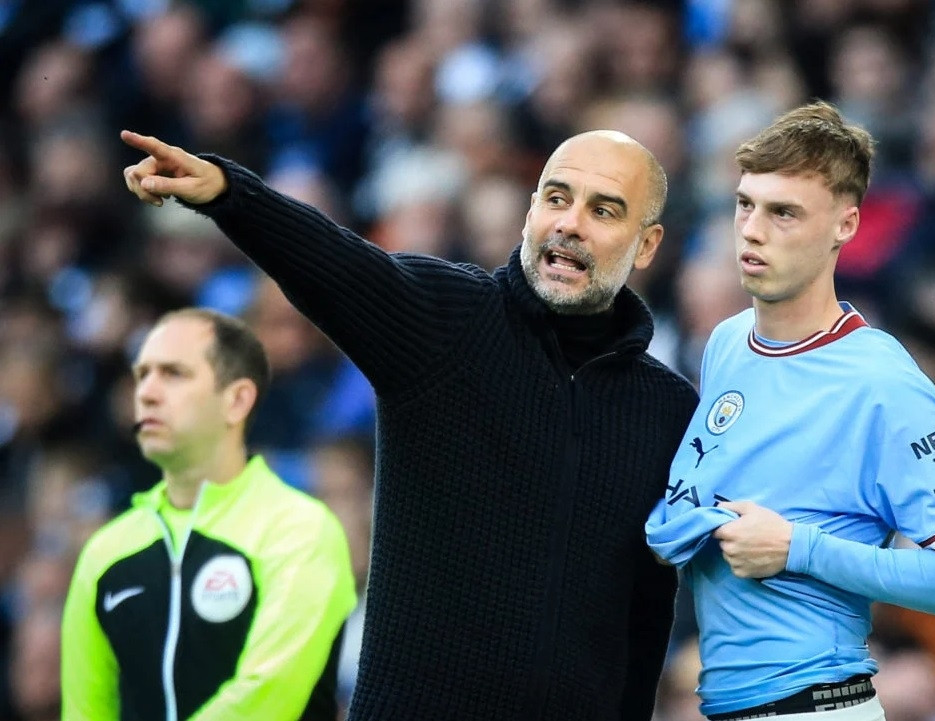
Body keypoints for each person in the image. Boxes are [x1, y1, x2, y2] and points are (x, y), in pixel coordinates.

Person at [119, 128, 699, 720]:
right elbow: (334, 264)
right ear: (530, 212)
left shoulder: (668, 410)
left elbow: (645, 619)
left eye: (603, 210)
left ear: (647, 244)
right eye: (556, 197)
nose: (569, 223)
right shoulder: (451, 323)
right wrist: (225, 192)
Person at [645, 101, 935, 721]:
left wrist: (799, 548)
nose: (752, 230)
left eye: (784, 212)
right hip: (721, 706)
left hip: (819, 706)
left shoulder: (885, 383)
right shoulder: (727, 344)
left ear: (846, 224)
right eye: (745, 204)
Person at [61, 308, 357, 720]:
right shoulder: (106, 550)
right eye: (142, 374)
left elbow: (268, 698)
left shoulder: (299, 529)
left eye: (173, 374)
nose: (146, 392)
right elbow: (84, 711)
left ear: (236, 400)